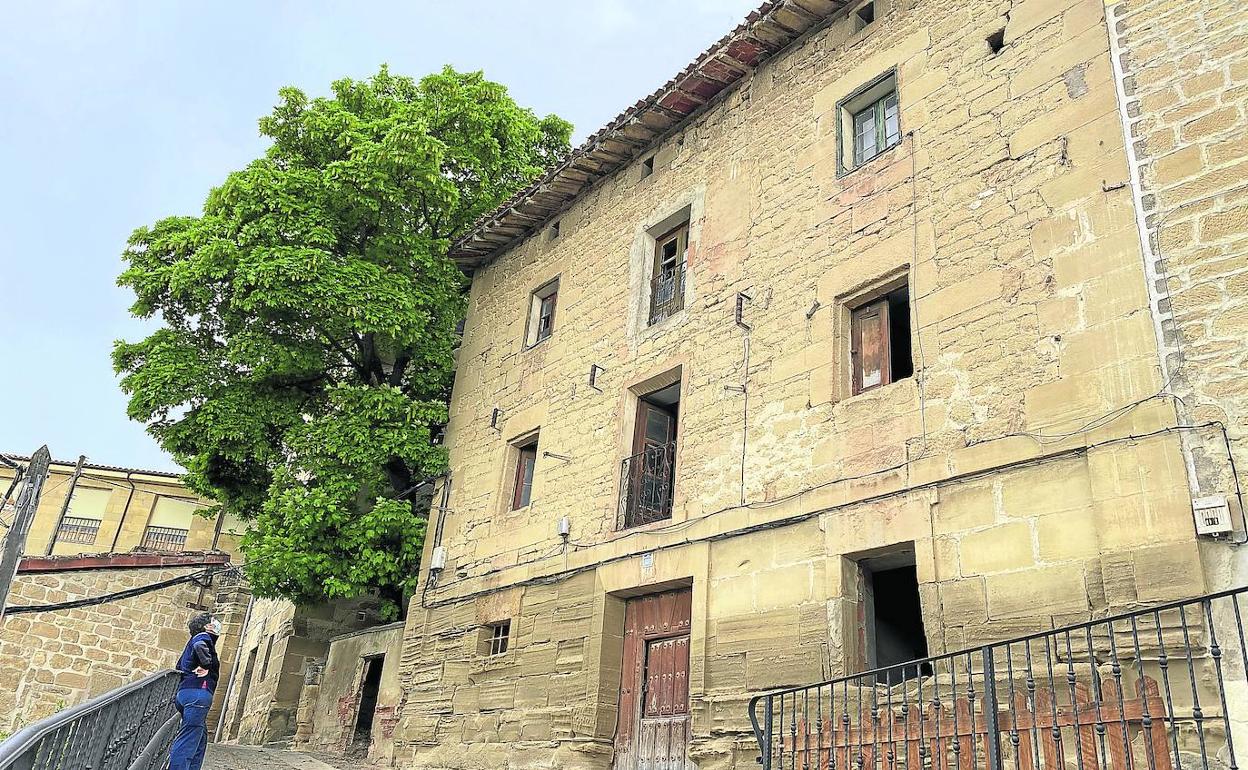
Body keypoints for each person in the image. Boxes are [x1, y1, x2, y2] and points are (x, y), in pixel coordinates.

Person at [167, 612, 222, 770]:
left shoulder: (191, 643)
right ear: (207, 626)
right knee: (189, 739)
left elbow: (179, 667)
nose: (218, 624)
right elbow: (200, 646)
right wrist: (206, 665)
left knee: (200, 738)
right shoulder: (202, 637)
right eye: (214, 621)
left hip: (186, 694)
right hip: (198, 693)